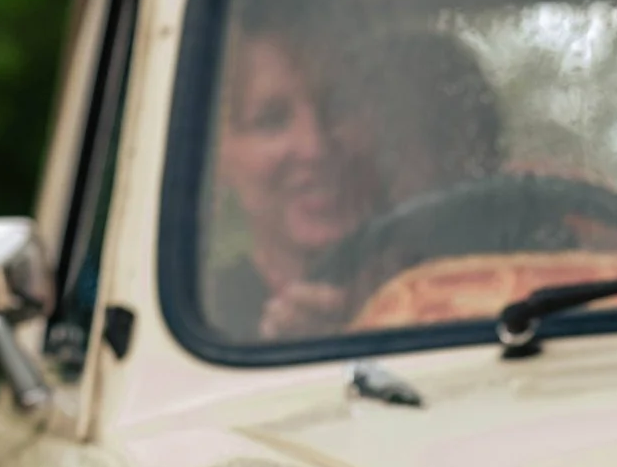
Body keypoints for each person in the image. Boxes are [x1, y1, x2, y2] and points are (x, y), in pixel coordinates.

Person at [208, 20, 506, 342]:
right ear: (220, 157)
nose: (315, 147)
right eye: (271, 120)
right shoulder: (200, 320)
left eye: (337, 108)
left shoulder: (470, 281)